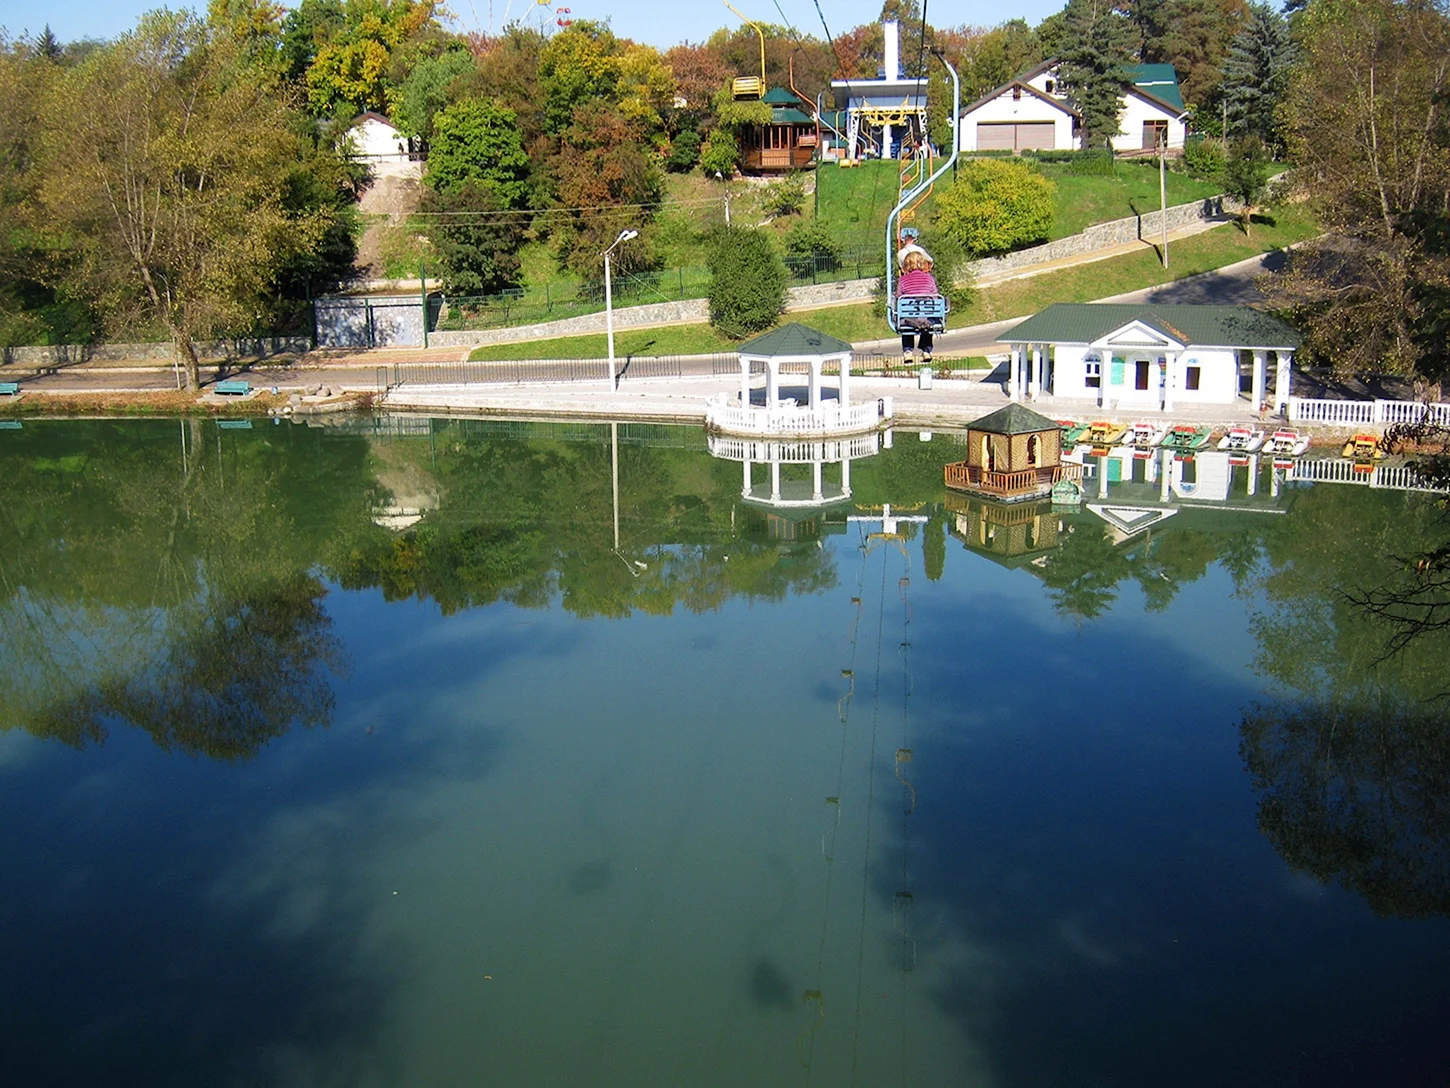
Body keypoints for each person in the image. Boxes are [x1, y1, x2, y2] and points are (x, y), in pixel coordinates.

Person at [896, 250, 939, 363]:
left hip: (909, 318)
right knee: (928, 322)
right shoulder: (929, 278)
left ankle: (908, 351)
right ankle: (926, 351)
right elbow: (935, 296)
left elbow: (899, 297)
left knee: (906, 322)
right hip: (926, 317)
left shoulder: (902, 280)